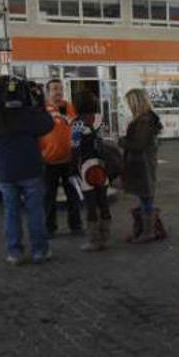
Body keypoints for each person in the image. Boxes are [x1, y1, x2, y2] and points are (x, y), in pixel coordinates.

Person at [0, 76, 55, 265]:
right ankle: (40, 251)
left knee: (11, 212)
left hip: (7, 171)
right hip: (31, 169)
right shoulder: (27, 113)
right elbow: (48, 124)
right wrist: (39, 103)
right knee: (35, 211)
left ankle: (15, 253)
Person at [39, 78, 82, 237]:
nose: (58, 92)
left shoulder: (68, 107)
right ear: (48, 92)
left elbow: (77, 127)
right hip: (48, 161)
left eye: (60, 89)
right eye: (55, 89)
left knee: (73, 195)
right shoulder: (42, 109)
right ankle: (50, 228)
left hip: (69, 161)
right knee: (48, 196)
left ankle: (76, 226)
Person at [119, 88, 163, 243]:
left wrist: (121, 141)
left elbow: (138, 145)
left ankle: (148, 232)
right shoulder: (147, 119)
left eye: (130, 102)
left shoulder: (144, 121)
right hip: (143, 164)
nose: (128, 106)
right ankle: (142, 230)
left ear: (136, 102)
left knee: (146, 199)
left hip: (142, 165)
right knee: (145, 198)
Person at [71, 91, 112, 252]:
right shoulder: (100, 119)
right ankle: (105, 237)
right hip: (102, 165)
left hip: (86, 167)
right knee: (103, 201)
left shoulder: (77, 123)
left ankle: (94, 241)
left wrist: (72, 168)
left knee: (91, 204)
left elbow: (74, 148)